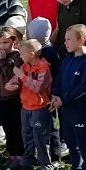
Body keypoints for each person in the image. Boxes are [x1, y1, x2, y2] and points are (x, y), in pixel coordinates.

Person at [51, 24, 86, 170]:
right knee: (70, 140)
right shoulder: (67, 59)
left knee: (84, 141)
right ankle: (76, 169)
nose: (65, 42)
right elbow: (59, 78)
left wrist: (65, 99)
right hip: (65, 109)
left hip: (80, 110)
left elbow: (85, 88)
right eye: (65, 39)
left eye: (69, 39)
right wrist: (56, 95)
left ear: (82, 40)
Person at [6, 39, 55, 170]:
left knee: (40, 137)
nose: (20, 56)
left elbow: (37, 87)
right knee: (26, 135)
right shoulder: (25, 66)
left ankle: (45, 165)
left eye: (22, 53)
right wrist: (12, 84)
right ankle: (28, 160)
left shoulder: (43, 68)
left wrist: (22, 76)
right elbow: (14, 80)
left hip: (39, 108)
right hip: (26, 107)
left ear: (32, 54)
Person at [27, 17, 62, 162]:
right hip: (45, 92)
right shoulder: (50, 50)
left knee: (50, 126)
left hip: (47, 93)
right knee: (47, 125)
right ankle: (49, 155)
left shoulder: (46, 53)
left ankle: (54, 156)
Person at [0, 27, 24, 164]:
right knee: (6, 127)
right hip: (1, 96)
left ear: (13, 41)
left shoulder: (17, 57)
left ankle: (18, 154)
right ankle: (10, 152)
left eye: (5, 42)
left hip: (13, 97)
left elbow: (11, 76)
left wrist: (4, 62)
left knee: (15, 127)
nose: (2, 46)